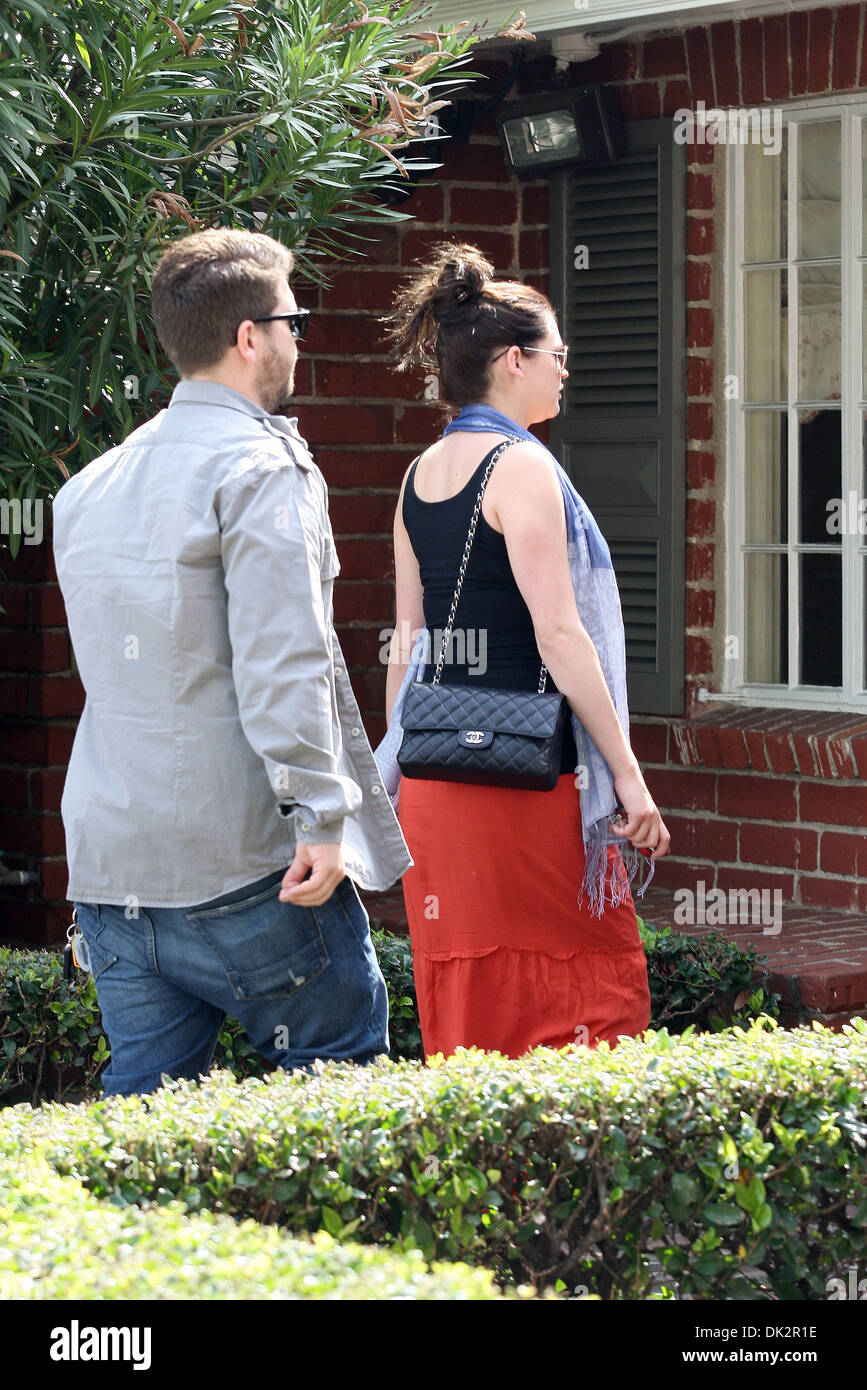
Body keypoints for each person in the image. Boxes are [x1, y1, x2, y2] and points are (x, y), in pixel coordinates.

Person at [52, 228, 411, 1097]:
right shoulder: (260, 466)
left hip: (111, 864)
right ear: (249, 336)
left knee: (139, 1130)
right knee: (340, 1097)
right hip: (242, 857)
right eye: (292, 319)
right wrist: (322, 816)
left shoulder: (86, 486)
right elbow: (282, 659)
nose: (299, 338)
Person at [376, 243, 671, 1060]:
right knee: (586, 1007)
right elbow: (559, 633)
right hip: (523, 779)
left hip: (436, 781)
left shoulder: (418, 472)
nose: (563, 372)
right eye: (557, 357)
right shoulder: (522, 468)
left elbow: (409, 641)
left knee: (467, 1011)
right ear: (513, 361)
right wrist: (625, 772)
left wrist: (395, 763)